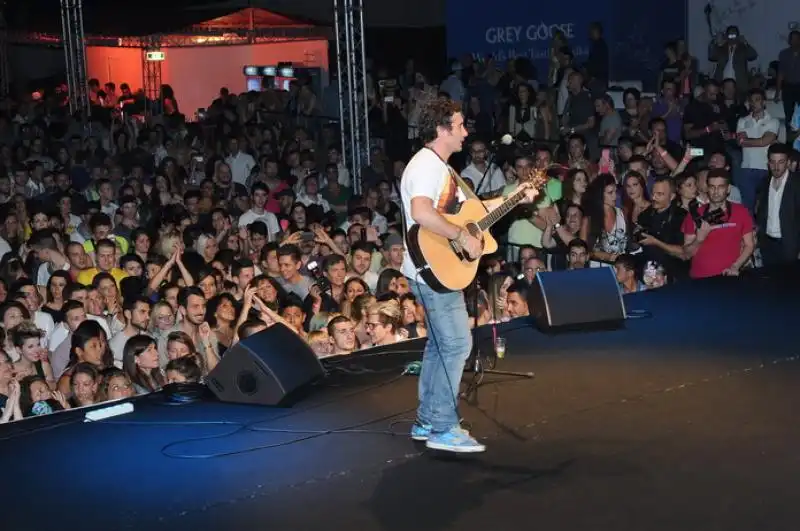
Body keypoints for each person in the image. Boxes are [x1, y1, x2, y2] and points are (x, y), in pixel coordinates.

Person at [400, 97, 537, 453]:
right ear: (442, 129)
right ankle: (444, 427)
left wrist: (516, 197)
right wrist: (460, 236)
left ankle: (428, 419)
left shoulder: (442, 168)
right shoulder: (428, 166)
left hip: (430, 269)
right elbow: (422, 213)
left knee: (440, 346)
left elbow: (473, 213)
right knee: (458, 344)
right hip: (434, 269)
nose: (465, 132)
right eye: (460, 125)